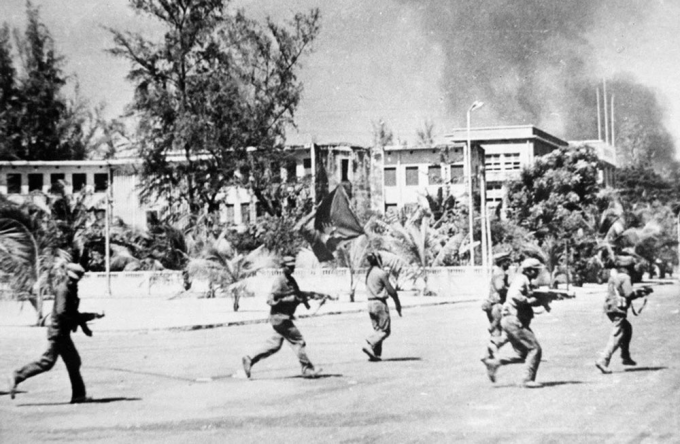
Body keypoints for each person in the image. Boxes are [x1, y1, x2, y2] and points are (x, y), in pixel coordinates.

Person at [8, 263, 102, 403]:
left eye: (77, 279)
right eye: (73, 278)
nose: (74, 281)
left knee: (73, 362)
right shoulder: (63, 289)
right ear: (66, 275)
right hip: (58, 333)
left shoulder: (71, 288)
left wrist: (85, 326)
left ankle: (78, 395)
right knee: (47, 362)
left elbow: (72, 312)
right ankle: (17, 376)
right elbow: (62, 312)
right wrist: (88, 317)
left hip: (62, 333)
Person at [241, 256, 322, 379]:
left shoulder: (291, 280)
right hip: (280, 318)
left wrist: (312, 295)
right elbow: (270, 300)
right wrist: (289, 300)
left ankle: (249, 360)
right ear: (283, 267)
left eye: (293, 266)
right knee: (298, 341)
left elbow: (297, 294)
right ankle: (307, 369)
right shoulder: (279, 281)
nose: (292, 268)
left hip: (283, 318)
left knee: (274, 345)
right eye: (289, 266)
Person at [483, 258, 545, 388]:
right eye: (535, 270)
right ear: (529, 270)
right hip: (514, 321)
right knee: (534, 349)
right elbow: (515, 296)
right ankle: (527, 379)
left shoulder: (521, 279)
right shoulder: (521, 279)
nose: (537, 273)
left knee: (523, 353)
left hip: (511, 321)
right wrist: (529, 301)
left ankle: (494, 361)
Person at [595, 257, 647, 374]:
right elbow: (629, 294)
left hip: (610, 308)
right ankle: (603, 360)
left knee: (627, 328)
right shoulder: (626, 278)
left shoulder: (614, 277)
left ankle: (625, 356)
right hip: (618, 308)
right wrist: (641, 292)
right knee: (617, 334)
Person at [362, 252, 402, 362]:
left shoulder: (368, 273)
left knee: (378, 331)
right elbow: (392, 291)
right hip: (380, 303)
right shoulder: (381, 273)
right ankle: (371, 342)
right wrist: (398, 304)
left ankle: (376, 355)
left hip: (370, 303)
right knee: (385, 331)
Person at [481, 252, 512, 361]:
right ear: (502, 262)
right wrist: (511, 290)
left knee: (496, 331)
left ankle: (488, 355)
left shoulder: (498, 272)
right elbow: (500, 288)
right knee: (503, 330)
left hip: (493, 304)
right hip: (497, 305)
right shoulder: (500, 273)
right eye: (507, 260)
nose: (509, 263)